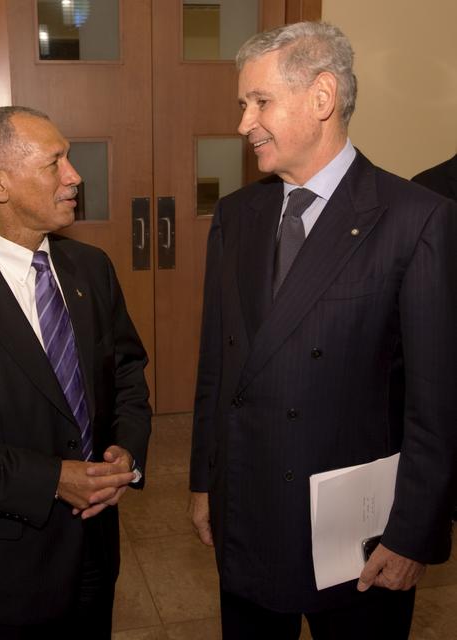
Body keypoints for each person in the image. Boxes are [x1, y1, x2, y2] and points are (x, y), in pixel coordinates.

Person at [189, 22, 457, 640]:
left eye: (260, 102)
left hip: (359, 537)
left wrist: (412, 535)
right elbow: (216, 370)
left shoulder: (416, 218)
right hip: (248, 510)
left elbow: (437, 405)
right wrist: (205, 483)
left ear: (321, 97)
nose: (244, 123)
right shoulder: (236, 215)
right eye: (243, 104)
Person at [0, 106, 151, 639]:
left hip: (94, 552)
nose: (74, 176)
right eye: (54, 162)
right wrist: (51, 480)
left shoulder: (92, 268)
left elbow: (128, 372)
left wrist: (127, 451)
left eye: (69, 158)